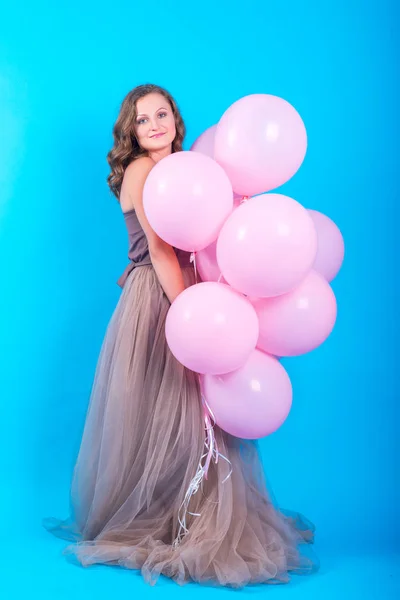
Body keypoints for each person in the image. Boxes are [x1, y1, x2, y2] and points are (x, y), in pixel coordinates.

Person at [43, 83, 318, 587]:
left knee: (192, 412)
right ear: (131, 131)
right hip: (164, 299)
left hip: (183, 291)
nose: (154, 125)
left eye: (162, 114)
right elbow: (163, 251)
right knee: (174, 405)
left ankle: (187, 509)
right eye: (143, 119)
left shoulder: (183, 167)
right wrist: (191, 310)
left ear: (176, 118)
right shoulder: (143, 171)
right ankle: (173, 515)